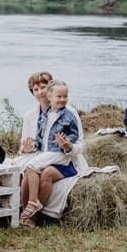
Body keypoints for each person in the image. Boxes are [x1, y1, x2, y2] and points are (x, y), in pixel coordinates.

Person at [15, 72, 86, 226]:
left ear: (49, 91)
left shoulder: (69, 113)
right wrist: (26, 149)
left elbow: (80, 143)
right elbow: (31, 144)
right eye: (36, 89)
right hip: (42, 156)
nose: (40, 92)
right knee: (26, 169)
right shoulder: (33, 115)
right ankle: (23, 213)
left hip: (65, 158)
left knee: (44, 171)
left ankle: (34, 213)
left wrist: (68, 146)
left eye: (43, 87)